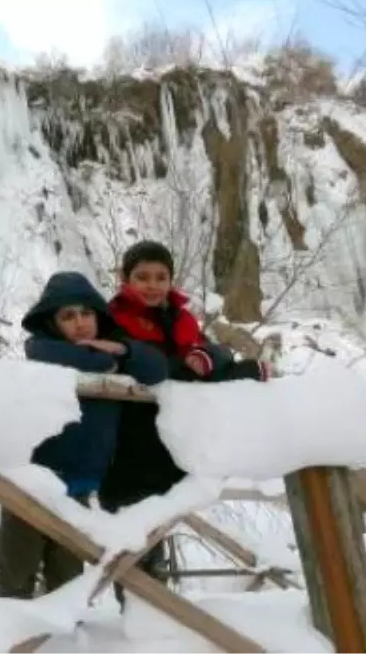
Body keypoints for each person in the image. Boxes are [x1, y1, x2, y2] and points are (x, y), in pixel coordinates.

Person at [101, 240, 270, 600]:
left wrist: (235, 367)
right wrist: (198, 366)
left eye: (161, 277)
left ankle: (157, 614)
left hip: (172, 441)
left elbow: (208, 355)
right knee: (133, 533)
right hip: (127, 442)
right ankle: (139, 615)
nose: (152, 285)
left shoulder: (181, 319)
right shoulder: (111, 320)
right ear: (124, 279)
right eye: (142, 276)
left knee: (157, 533)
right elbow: (151, 367)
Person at [0, 271, 168, 599]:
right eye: (68, 316)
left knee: (68, 582)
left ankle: (65, 644)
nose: (80, 322)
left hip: (78, 491)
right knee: (17, 578)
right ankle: (14, 646)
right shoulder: (46, 351)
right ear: (52, 322)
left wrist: (120, 349)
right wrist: (107, 360)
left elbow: (156, 367)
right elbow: (44, 351)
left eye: (86, 313)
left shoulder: (116, 353)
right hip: (31, 486)